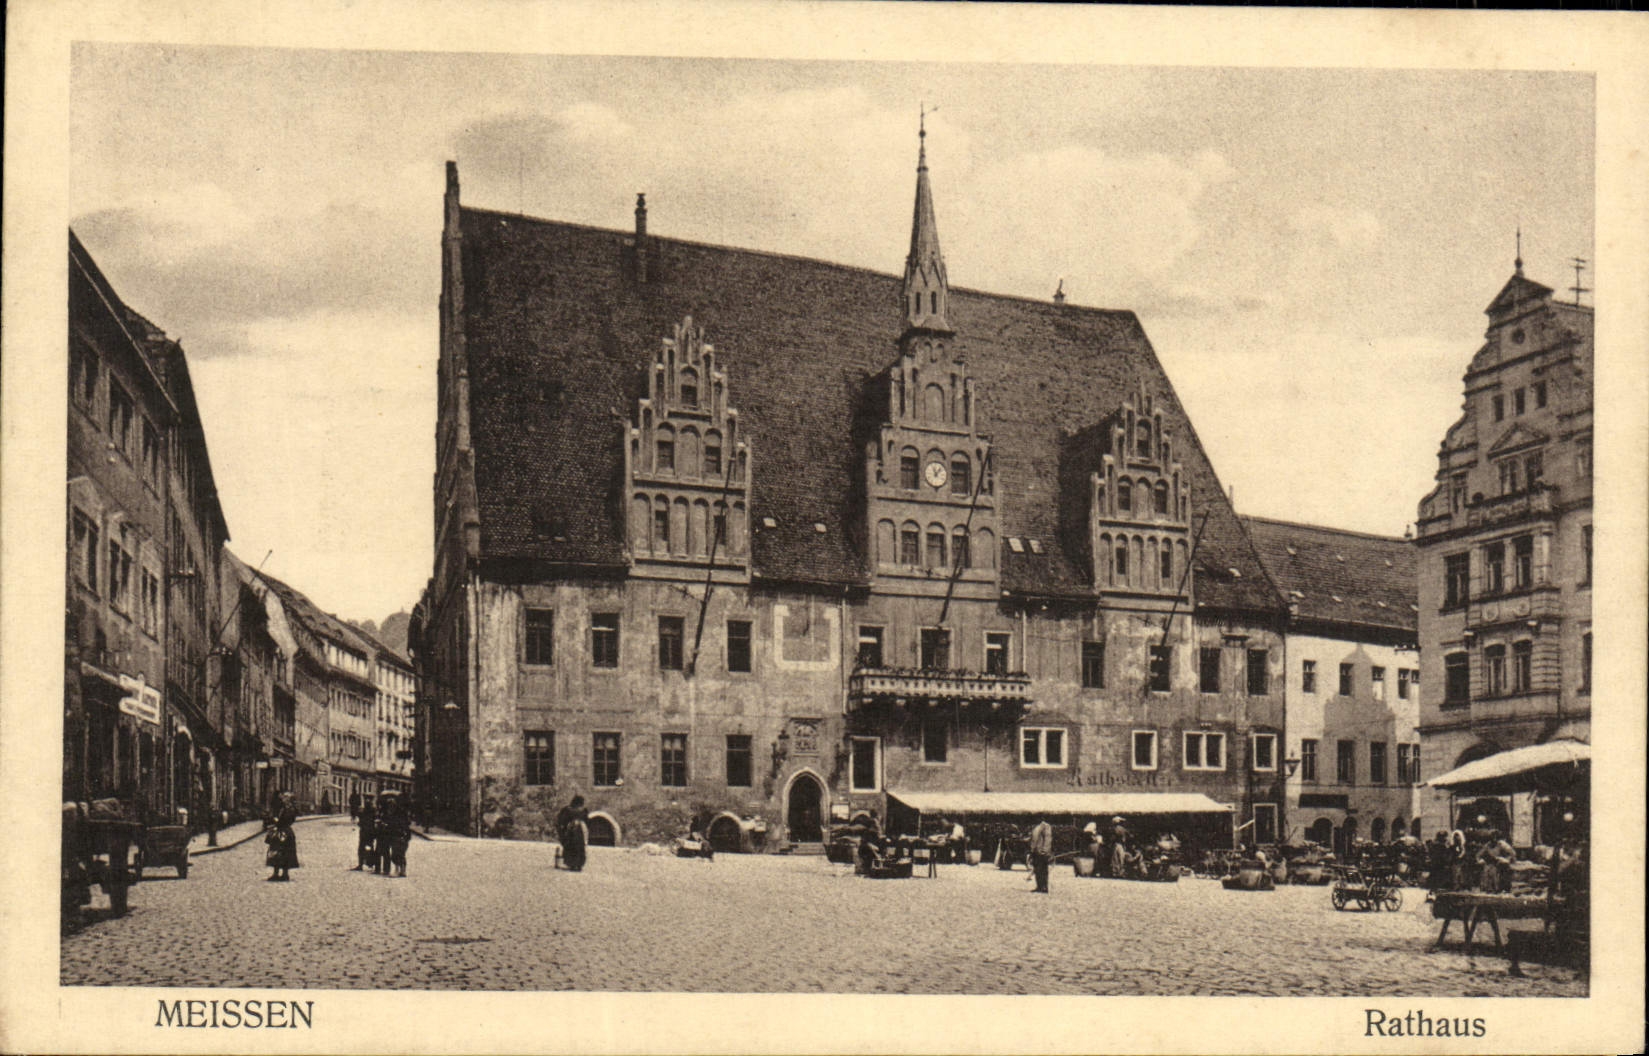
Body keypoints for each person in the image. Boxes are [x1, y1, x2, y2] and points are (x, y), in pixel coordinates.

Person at [264, 791, 300, 881]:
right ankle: (279, 873)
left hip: (284, 832)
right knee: (280, 853)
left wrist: (276, 821)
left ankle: (282, 874)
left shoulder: (289, 809)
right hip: (285, 831)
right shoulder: (285, 808)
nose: (283, 799)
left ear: (288, 799)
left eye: (285, 797)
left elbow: (286, 820)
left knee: (281, 852)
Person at [379, 793, 411, 877]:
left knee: (399, 853)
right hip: (391, 834)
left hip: (399, 834)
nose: (391, 803)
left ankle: (400, 870)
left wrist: (405, 834)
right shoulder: (386, 812)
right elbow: (384, 820)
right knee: (395, 853)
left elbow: (405, 823)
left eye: (393, 800)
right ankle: (400, 870)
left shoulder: (400, 812)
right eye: (389, 801)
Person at [556, 795, 588, 872]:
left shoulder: (567, 810)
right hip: (580, 833)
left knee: (571, 847)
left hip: (571, 832)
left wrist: (563, 830)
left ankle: (572, 864)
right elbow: (587, 821)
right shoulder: (583, 811)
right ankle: (579, 864)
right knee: (579, 848)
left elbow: (561, 820)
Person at [1027, 816, 1053, 893]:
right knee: (1037, 870)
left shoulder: (1046, 826)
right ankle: (1039, 886)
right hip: (1036, 851)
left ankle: (1044, 887)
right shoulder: (1036, 827)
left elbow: (1047, 839)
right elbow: (1034, 839)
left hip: (1042, 852)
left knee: (1043, 870)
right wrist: (1032, 850)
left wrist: (1045, 850)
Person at [352, 795, 378, 871]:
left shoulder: (373, 810)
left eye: (369, 799)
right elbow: (360, 819)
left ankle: (371, 863)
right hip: (363, 832)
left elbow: (374, 821)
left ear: (371, 801)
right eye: (366, 799)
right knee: (361, 848)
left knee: (369, 848)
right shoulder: (363, 810)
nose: (367, 801)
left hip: (370, 832)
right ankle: (361, 864)